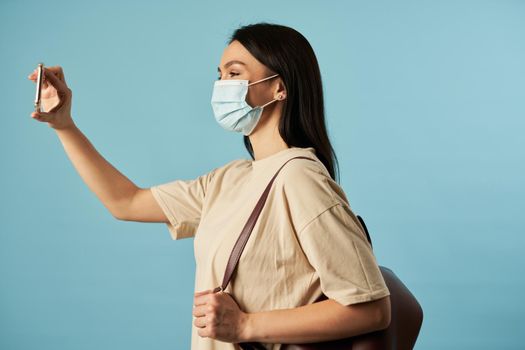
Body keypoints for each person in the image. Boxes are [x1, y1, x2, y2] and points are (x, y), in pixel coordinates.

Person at [28, 22, 391, 350]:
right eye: (219, 75)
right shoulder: (230, 179)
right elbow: (126, 202)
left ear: (279, 87)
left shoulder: (300, 177)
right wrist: (64, 125)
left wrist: (246, 325)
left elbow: (371, 310)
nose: (222, 86)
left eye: (234, 73)